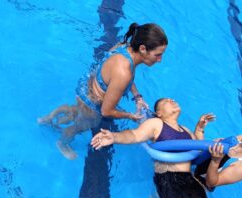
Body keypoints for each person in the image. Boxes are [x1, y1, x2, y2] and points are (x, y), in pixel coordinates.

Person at [91, 98, 223, 198]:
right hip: (169, 179)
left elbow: (198, 152)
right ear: (159, 113)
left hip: (190, 180)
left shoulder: (186, 131)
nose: (172, 100)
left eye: (172, 99)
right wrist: (114, 137)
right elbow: (135, 135)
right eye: (167, 101)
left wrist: (199, 129)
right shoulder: (157, 124)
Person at [38, 23, 168, 160]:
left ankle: (48, 118)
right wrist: (130, 116)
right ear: (143, 49)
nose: (160, 60)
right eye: (158, 55)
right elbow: (106, 111)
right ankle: (62, 143)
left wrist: (137, 97)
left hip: (87, 86)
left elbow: (120, 77)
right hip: (93, 104)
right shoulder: (124, 73)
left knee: (76, 110)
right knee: (79, 126)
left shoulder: (124, 46)